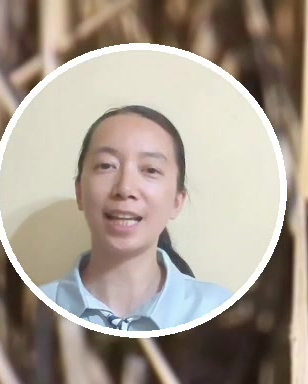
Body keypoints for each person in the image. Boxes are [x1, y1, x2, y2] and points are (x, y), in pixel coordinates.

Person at [39, 105, 231, 332]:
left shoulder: (220, 310)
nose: (125, 188)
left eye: (150, 169)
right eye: (107, 166)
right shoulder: (37, 309)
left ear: (177, 202)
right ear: (80, 192)